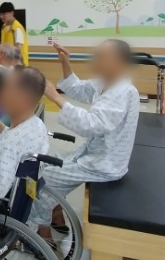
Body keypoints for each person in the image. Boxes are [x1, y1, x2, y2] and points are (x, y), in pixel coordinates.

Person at [31, 40, 140, 247]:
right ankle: (56, 210)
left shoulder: (124, 91)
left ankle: (43, 230)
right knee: (49, 159)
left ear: (118, 61)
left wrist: (54, 96)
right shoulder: (105, 82)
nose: (95, 61)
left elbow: (91, 124)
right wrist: (65, 63)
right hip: (94, 153)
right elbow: (79, 89)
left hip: (105, 164)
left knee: (45, 177)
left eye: (101, 57)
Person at [0, 66, 50, 200]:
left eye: (6, 87)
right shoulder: (36, 125)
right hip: (21, 195)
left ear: (24, 98)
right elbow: (11, 135)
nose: (1, 93)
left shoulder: (7, 146)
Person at [0, 2, 28, 66]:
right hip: (6, 64)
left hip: (17, 66)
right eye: (0, 15)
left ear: (12, 13)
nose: (2, 17)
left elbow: (18, 50)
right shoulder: (4, 27)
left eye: (4, 14)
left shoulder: (17, 28)